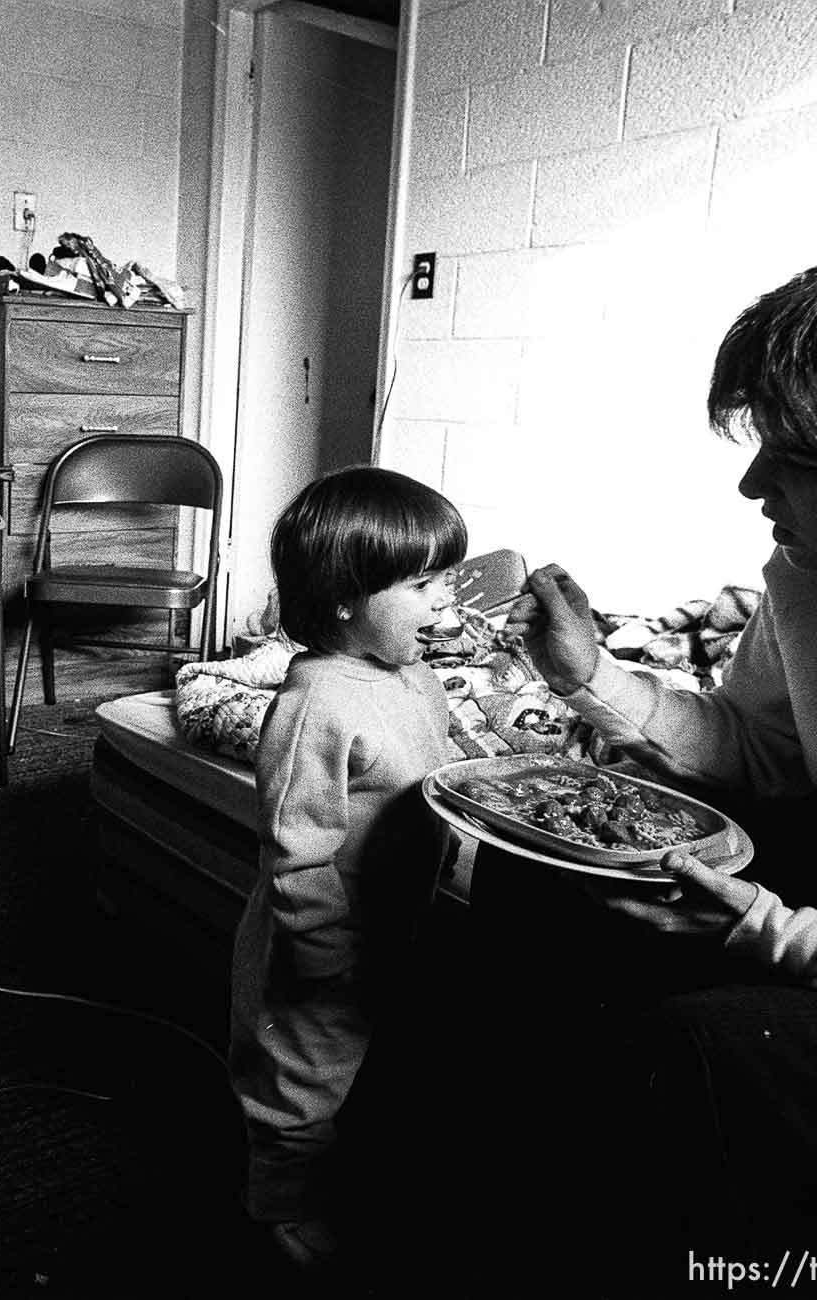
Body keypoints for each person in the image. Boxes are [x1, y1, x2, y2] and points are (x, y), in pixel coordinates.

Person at [482, 240, 817, 1291]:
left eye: (798, 451)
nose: (755, 479)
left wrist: (789, 940)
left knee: (712, 1049)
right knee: (543, 873)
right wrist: (596, 678)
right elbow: (765, 750)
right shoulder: (816, 573)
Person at [227, 466, 469, 1275]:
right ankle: (281, 1206)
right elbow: (296, 854)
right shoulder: (316, 706)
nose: (444, 606)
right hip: (319, 943)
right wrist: (328, 962)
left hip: (400, 921)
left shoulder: (416, 676)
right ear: (343, 597)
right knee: (301, 1085)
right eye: (424, 587)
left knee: (380, 1059)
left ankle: (352, 1167)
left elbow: (439, 771)